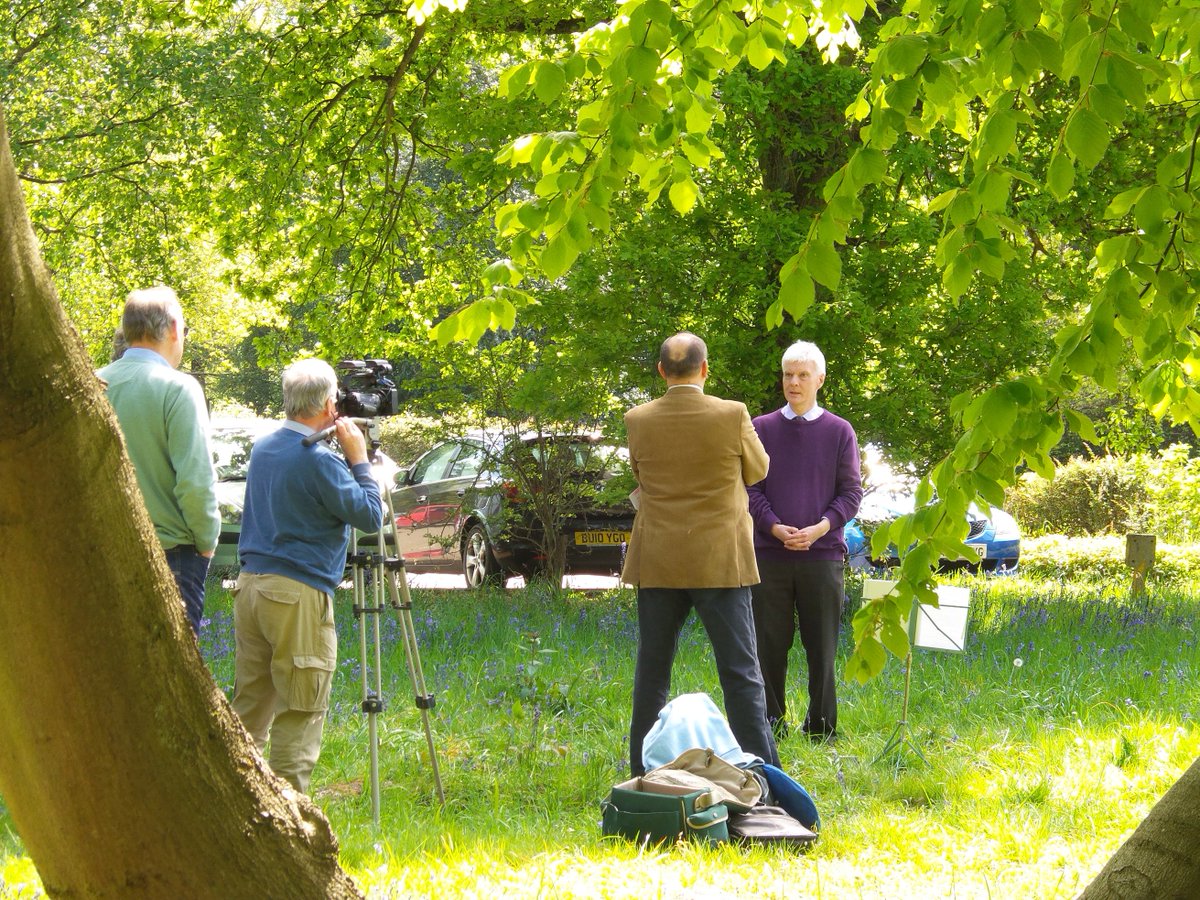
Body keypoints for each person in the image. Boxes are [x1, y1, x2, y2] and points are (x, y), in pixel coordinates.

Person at [622, 332, 780, 776]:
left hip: (658, 559)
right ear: (705, 368)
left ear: (660, 371)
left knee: (652, 672)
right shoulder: (732, 414)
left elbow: (639, 473)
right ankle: (763, 773)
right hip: (720, 560)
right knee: (741, 673)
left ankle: (642, 770)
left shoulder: (638, 419)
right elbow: (759, 469)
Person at [232, 358, 383, 793]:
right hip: (297, 594)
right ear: (329, 402)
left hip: (252, 588)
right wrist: (359, 461)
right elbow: (370, 516)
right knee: (301, 707)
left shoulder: (265, 448)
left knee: (251, 707)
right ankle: (289, 813)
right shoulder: (317, 460)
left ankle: (237, 798)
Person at [747, 340, 862, 741]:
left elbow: (851, 494)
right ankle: (771, 728)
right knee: (768, 648)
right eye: (787, 375)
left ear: (820, 380)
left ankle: (821, 728)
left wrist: (819, 528)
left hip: (823, 556)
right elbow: (749, 490)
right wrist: (775, 527)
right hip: (769, 556)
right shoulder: (759, 429)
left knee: (822, 648)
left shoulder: (839, 431)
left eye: (802, 375)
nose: (793, 383)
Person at [96, 286, 218, 636]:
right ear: (175, 329)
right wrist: (206, 542)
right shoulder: (178, 388)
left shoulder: (96, 383)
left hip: (104, 550)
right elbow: (195, 481)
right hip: (171, 555)